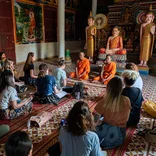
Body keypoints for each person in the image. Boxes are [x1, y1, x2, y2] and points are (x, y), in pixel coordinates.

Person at [94, 77, 131, 149]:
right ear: (121, 89)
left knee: (88, 130)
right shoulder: (127, 100)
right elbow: (127, 118)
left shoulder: (103, 103)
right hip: (120, 137)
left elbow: (95, 122)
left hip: (105, 135)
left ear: (108, 88)